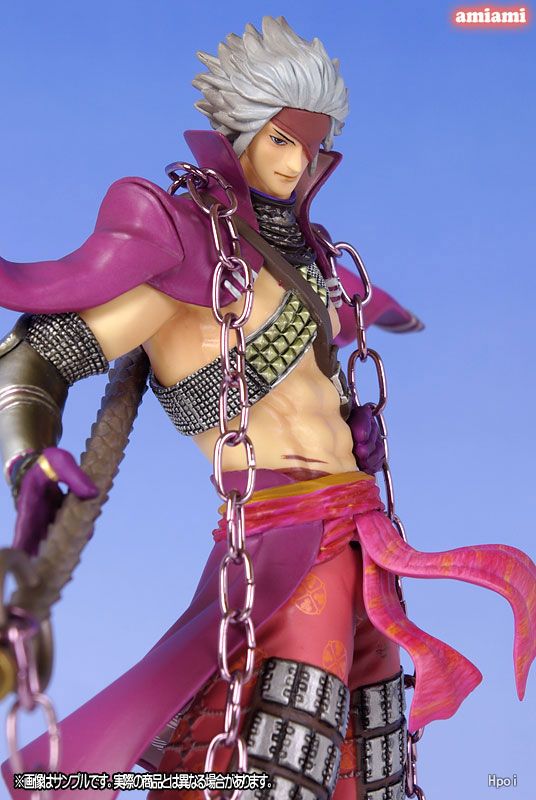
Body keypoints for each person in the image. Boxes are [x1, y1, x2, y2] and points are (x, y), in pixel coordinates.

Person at [0, 16, 534, 800]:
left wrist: (362, 356)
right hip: (283, 542)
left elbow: (340, 330)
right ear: (239, 132)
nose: (295, 163)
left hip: (364, 535)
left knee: (375, 753)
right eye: (281, 140)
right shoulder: (183, 247)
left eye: (311, 147)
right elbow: (35, 357)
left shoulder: (309, 257)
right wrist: (28, 456)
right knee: (280, 749)